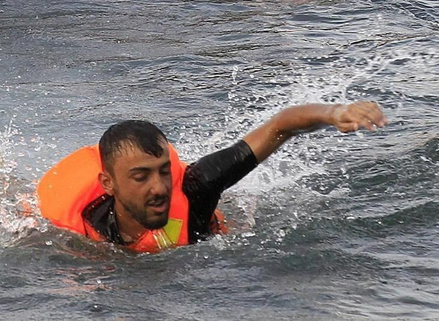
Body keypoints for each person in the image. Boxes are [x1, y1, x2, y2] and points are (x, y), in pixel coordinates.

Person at [37, 104, 387, 252]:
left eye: (163, 171)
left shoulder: (195, 188)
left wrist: (334, 113)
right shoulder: (79, 222)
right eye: (140, 177)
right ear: (109, 184)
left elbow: (281, 126)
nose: (159, 187)